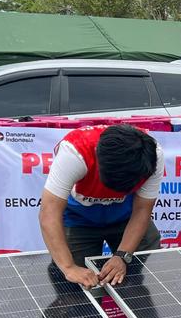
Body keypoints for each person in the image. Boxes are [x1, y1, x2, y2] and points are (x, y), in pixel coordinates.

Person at [39, 123, 163, 289]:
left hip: (126, 217)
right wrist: (69, 268)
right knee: (77, 286)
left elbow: (142, 210)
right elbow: (49, 213)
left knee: (150, 273)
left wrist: (122, 256)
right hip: (79, 220)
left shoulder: (152, 156)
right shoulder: (75, 152)